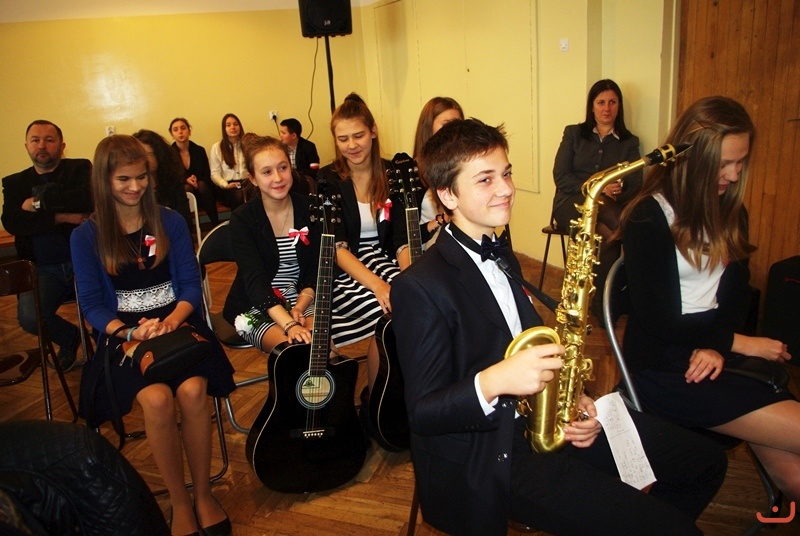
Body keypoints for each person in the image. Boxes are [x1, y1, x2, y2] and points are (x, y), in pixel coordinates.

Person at [391, 118, 727, 535]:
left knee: (705, 462)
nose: (506, 188)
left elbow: (528, 338)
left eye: (507, 173)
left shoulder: (500, 251)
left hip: (548, 421)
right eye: (485, 179)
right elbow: (423, 413)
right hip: (492, 452)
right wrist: (494, 380)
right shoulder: (419, 286)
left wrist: (574, 398)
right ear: (447, 194)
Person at [619, 96, 800, 501]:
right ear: (692, 159)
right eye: (725, 164)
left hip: (711, 352)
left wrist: (719, 346)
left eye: (741, 162)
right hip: (663, 366)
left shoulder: (732, 211)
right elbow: (658, 320)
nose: (735, 175)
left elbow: (736, 294)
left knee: (794, 476)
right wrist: (738, 343)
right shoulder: (649, 215)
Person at [71, 135, 236, 536]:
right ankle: (179, 501)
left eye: (141, 177)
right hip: (123, 336)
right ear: (104, 180)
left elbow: (190, 287)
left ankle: (203, 494)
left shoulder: (170, 221)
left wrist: (171, 322)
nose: (135, 187)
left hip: (177, 325)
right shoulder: (86, 235)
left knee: (193, 391)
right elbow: (91, 305)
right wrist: (131, 331)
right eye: (124, 179)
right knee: (158, 399)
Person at [317, 93, 410, 393]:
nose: (352, 145)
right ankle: (378, 397)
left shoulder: (393, 173)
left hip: (387, 261)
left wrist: (412, 280)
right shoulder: (327, 179)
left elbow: (402, 240)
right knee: (386, 315)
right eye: (343, 139)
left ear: (373, 131)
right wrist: (379, 287)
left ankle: (400, 392)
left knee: (415, 303)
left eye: (358, 135)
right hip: (347, 269)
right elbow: (337, 249)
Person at [1, 120, 93, 371]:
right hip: (41, 269)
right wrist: (63, 216)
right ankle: (71, 338)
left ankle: (106, 351)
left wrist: (35, 204)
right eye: (35, 140)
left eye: (49, 140)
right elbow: (13, 222)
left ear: (62, 146)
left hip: (84, 262)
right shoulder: (14, 183)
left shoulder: (79, 168)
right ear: (26, 146)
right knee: (30, 318)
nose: (42, 145)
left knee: (103, 305)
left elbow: (86, 200)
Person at [222, 135, 320, 353]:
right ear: (253, 178)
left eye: (283, 168)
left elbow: (316, 268)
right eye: (266, 172)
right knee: (294, 351)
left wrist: (300, 306)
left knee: (322, 348)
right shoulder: (243, 219)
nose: (278, 178)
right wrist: (289, 324)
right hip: (258, 303)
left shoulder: (311, 209)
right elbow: (254, 280)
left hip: (303, 297)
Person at [552, 79, 642, 312]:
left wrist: (620, 187)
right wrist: (598, 187)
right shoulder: (574, 133)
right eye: (601, 102)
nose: (607, 108)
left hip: (608, 209)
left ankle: (601, 303)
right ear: (592, 106)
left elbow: (635, 184)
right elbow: (561, 176)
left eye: (612, 102)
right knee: (616, 226)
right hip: (569, 204)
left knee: (609, 235)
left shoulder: (629, 142)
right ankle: (608, 303)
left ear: (619, 106)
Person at [412, 96, 463, 249]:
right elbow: (404, 235)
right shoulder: (411, 172)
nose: (454, 132)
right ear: (429, 128)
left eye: (458, 125)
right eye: (447, 125)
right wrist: (440, 220)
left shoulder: (462, 166)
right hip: (428, 246)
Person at [132, 129, 191, 228]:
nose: (144, 159)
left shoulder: (173, 183)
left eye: (149, 154)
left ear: (159, 155)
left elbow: (185, 221)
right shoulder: (132, 188)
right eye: (139, 154)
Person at [169, 117, 217, 225]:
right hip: (182, 197)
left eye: (183, 128)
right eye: (175, 130)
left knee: (202, 185)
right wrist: (185, 180)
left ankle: (215, 224)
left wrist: (196, 179)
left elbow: (207, 175)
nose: (180, 132)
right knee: (186, 189)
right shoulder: (169, 154)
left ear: (189, 131)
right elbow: (170, 179)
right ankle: (187, 227)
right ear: (172, 134)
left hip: (202, 194)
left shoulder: (199, 150)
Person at [210, 113, 248, 211]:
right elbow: (214, 174)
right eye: (228, 125)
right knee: (238, 196)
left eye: (235, 124)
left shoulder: (247, 145)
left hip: (246, 182)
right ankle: (239, 220)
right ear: (224, 129)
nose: (233, 127)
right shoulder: (217, 148)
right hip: (228, 186)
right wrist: (225, 185)